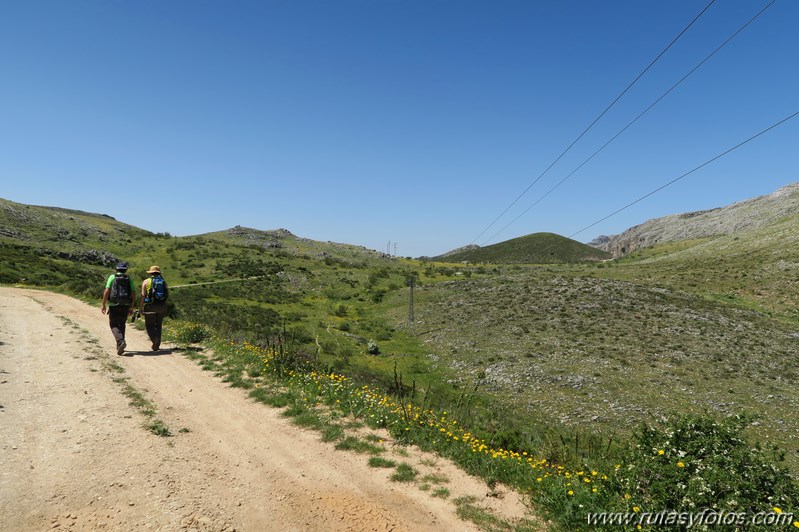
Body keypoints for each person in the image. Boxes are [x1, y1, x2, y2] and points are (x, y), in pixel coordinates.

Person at [101, 261, 136, 355]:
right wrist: (132, 306)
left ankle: (120, 342)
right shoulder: (129, 278)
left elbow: (107, 290)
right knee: (122, 324)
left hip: (114, 304)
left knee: (113, 325)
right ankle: (120, 344)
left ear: (116, 269)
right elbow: (133, 293)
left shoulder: (112, 277)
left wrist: (103, 304)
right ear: (125, 270)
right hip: (126, 305)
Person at [140, 265, 169, 351]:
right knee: (158, 325)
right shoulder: (164, 281)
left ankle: (154, 340)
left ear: (151, 273)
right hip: (161, 306)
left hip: (150, 306)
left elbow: (142, 295)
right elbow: (167, 295)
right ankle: (158, 344)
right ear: (159, 273)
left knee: (149, 325)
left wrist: (140, 308)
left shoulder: (146, 281)